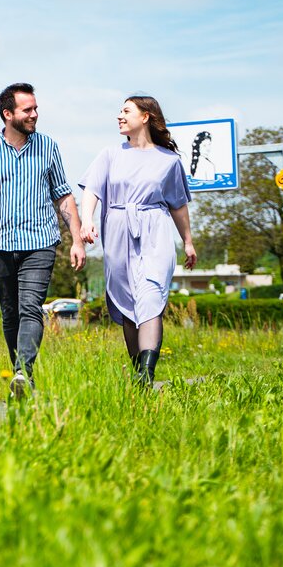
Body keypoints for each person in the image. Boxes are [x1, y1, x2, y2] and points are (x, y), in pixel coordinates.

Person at [0, 82, 85, 398]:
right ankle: (22, 377)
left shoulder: (48, 147)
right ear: (8, 114)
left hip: (40, 242)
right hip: (0, 244)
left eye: (36, 108)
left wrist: (77, 240)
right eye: (27, 110)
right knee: (10, 313)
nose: (35, 114)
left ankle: (22, 371)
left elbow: (64, 196)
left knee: (31, 306)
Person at [78, 95, 197, 385]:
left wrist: (188, 241)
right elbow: (91, 190)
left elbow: (178, 205)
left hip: (154, 231)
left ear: (145, 116)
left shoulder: (169, 161)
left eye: (126, 111)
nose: (119, 116)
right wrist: (88, 220)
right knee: (128, 304)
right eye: (120, 111)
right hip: (117, 232)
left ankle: (147, 371)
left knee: (150, 297)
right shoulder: (109, 154)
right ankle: (139, 375)